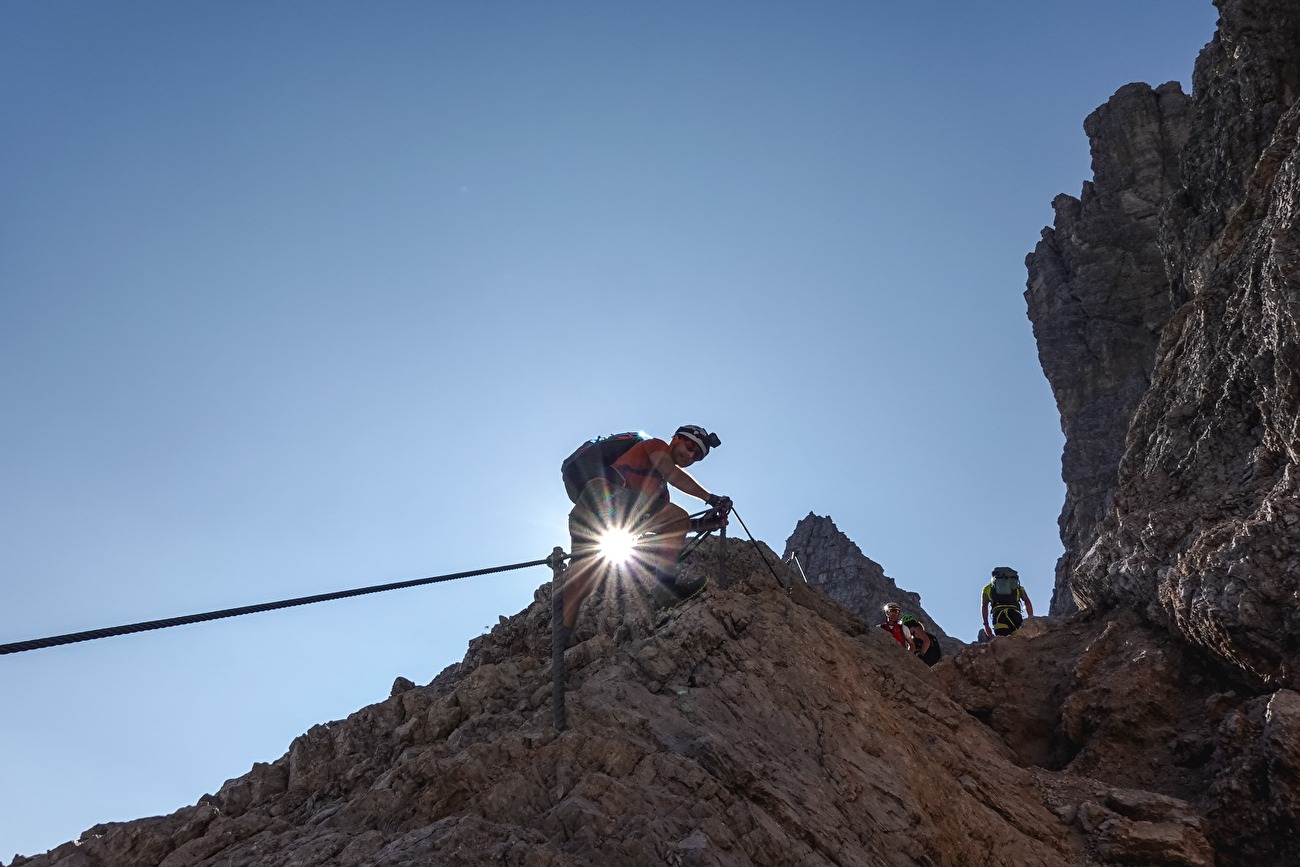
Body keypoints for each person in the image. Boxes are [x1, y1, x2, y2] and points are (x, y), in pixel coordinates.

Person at [558, 424, 729, 646]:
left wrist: (704, 523)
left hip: (587, 512)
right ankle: (664, 591)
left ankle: (560, 637)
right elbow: (671, 472)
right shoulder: (655, 445)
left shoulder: (660, 492)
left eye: (696, 455)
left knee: (583, 578)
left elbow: (670, 526)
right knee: (677, 514)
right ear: (676, 439)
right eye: (689, 446)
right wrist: (710, 498)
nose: (689, 455)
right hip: (606, 495)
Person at [981, 566, 1034, 638]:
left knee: (1003, 643)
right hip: (1015, 616)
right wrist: (1031, 617)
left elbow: (984, 605)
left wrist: (986, 625)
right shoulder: (1017, 587)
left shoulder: (988, 588)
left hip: (999, 616)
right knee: (1019, 641)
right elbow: (1027, 601)